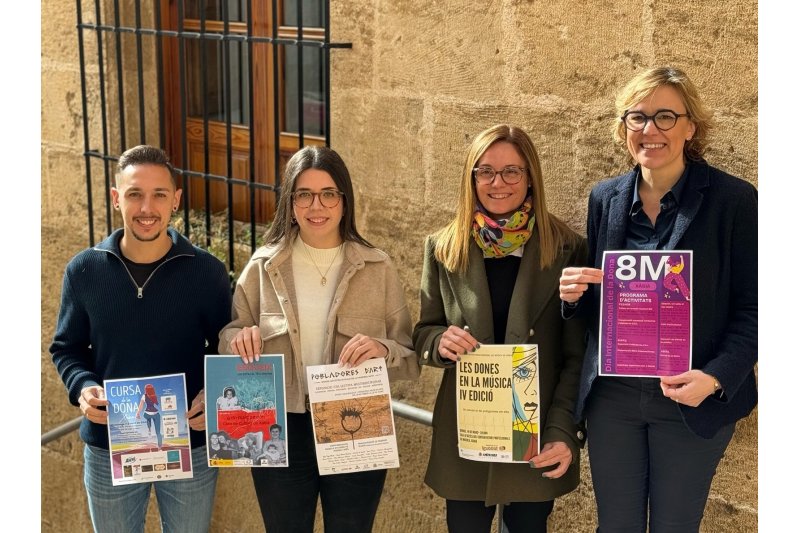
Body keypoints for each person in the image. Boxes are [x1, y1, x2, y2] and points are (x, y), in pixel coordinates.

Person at [558, 66, 757, 532]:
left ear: (691, 127)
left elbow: (756, 307)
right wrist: (575, 296)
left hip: (690, 400)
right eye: (638, 117)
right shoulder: (604, 198)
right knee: (616, 526)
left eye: (666, 117)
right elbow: (601, 308)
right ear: (623, 127)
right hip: (614, 399)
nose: (651, 130)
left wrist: (714, 378)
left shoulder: (734, 201)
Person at [219, 145, 420, 533]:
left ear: (344, 201)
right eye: (304, 194)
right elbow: (230, 336)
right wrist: (237, 339)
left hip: (355, 420)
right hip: (279, 426)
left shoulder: (378, 268)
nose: (317, 206)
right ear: (290, 203)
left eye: (329, 193)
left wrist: (383, 349)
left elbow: (409, 356)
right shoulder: (263, 267)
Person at [412, 124, 588, 533]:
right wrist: (440, 341)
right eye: (485, 171)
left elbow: (577, 356)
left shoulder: (566, 247)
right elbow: (424, 330)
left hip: (535, 433)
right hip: (467, 434)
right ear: (471, 178)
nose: (498, 182)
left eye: (512, 171)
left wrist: (563, 430)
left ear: (530, 178)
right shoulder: (443, 246)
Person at [49, 145, 233, 533]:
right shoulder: (83, 270)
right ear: (117, 199)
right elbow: (66, 349)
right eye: (134, 194)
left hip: (190, 445)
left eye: (159, 194)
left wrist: (211, 394)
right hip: (108, 445)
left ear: (176, 201)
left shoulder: (207, 273)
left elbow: (225, 350)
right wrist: (82, 388)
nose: (146, 207)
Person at [136, 383, 162, 449]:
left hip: (147, 413)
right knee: (158, 432)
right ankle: (160, 447)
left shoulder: (144, 396)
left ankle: (149, 428)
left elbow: (141, 405)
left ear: (146, 390)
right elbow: (158, 404)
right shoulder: (154, 396)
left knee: (146, 416)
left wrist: (138, 413)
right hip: (156, 414)